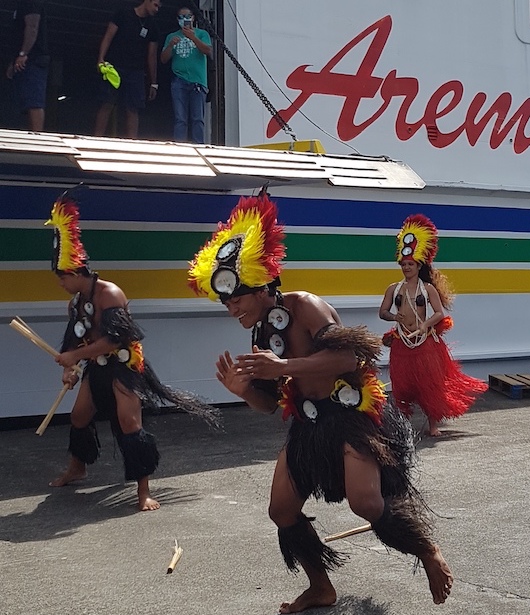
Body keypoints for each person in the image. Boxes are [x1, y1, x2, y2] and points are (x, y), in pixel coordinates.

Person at [188, 194, 453, 613]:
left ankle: (427, 551)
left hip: (350, 416)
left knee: (366, 504)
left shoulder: (305, 306)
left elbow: (349, 358)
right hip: (309, 423)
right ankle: (320, 587)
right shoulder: (262, 332)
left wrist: (283, 366)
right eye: (226, 302)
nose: (231, 308)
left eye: (237, 298)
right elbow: (270, 404)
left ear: (262, 287)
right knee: (281, 510)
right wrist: (244, 392)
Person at [46, 188, 218, 511]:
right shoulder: (76, 303)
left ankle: (143, 490)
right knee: (79, 415)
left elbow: (116, 339)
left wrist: (75, 357)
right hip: (96, 366)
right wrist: (70, 368)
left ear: (74, 272)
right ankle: (77, 468)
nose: (61, 285)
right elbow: (73, 342)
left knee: (129, 423)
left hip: (124, 367)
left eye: (62, 279)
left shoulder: (110, 294)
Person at [379, 214, 486, 437]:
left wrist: (425, 325)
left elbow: (439, 313)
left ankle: (433, 425)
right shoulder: (393, 289)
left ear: (419, 266)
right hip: (402, 341)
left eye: (410, 264)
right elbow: (383, 312)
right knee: (402, 386)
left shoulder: (427, 289)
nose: (406, 268)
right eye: (403, 264)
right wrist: (394, 318)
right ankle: (403, 425)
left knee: (429, 385)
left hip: (424, 341)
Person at [94, 0, 161, 139]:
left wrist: (154, 82)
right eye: (155, 5)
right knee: (107, 103)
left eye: (159, 7)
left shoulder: (153, 26)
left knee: (133, 108)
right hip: (114, 67)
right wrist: (101, 58)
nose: (157, 9)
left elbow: (152, 55)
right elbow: (108, 36)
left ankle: (132, 142)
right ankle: (96, 138)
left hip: (136, 71)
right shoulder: (123, 14)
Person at [160, 7, 212, 143]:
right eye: (181, 17)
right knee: (180, 118)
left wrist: (192, 37)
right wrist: (170, 45)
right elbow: (163, 59)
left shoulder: (202, 34)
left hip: (198, 81)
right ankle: (180, 146)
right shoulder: (171, 36)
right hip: (179, 80)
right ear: (177, 20)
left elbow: (207, 50)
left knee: (198, 118)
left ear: (193, 18)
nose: (185, 19)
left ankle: (199, 145)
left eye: (187, 16)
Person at [6, 0, 49, 131]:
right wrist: (13, 61)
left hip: (33, 59)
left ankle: (37, 137)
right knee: (27, 102)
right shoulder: (21, 4)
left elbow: (32, 27)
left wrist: (23, 53)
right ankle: (32, 134)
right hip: (24, 60)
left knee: (34, 101)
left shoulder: (31, 2)